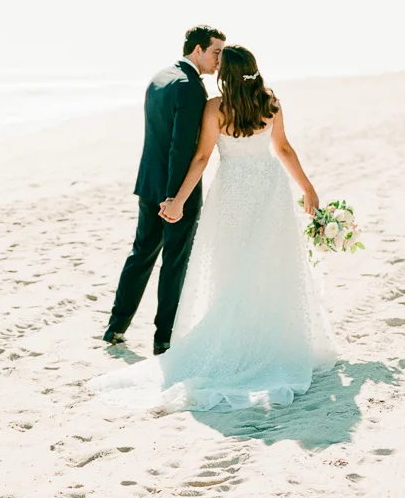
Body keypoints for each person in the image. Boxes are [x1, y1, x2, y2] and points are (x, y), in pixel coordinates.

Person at [92, 44, 337, 412]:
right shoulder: (270, 102)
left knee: (232, 264)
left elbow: (203, 158)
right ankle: (269, 339)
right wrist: (308, 188)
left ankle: (238, 340)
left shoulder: (216, 107)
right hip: (269, 188)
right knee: (270, 264)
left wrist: (177, 199)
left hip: (233, 190)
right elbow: (283, 148)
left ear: (227, 73)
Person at [102, 25, 226, 355]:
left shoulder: (159, 78)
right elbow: (180, 148)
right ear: (198, 49)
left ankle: (116, 326)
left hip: (149, 183)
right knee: (174, 261)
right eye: (216, 52)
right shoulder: (190, 88)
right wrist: (176, 199)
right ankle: (164, 338)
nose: (219, 60)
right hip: (174, 190)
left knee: (141, 253)